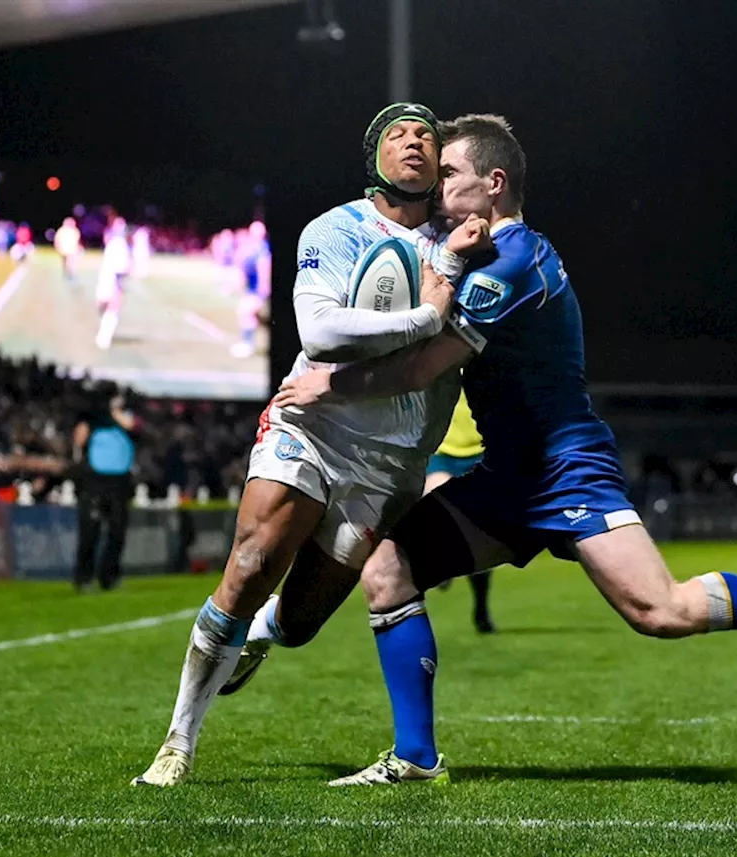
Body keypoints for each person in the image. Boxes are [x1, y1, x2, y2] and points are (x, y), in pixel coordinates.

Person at [273, 114, 737, 787]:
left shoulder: (513, 263)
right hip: (508, 476)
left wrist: (327, 382)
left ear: (494, 183)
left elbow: (421, 367)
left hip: (566, 469)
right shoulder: (474, 252)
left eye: (450, 173)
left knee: (661, 611)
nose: (438, 184)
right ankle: (416, 757)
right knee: (390, 568)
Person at [130, 102, 491, 787]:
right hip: (313, 426)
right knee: (254, 558)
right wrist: (427, 315)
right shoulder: (337, 228)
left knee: (299, 620)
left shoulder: (470, 246)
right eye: (399, 134)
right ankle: (178, 742)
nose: (414, 141)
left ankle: (261, 637)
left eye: (427, 135)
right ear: (373, 157)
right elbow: (321, 333)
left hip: (390, 463)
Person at [426, 388, 494, 633]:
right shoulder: (436, 363)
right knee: (436, 508)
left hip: (480, 451)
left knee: (480, 531)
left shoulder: (485, 365)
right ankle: (445, 561)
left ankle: (481, 608)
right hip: (442, 451)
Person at [72, 391, 136, 592]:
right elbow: (78, 441)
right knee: (90, 529)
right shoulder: (90, 419)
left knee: (117, 530)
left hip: (119, 482)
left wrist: (115, 413)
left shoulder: (125, 419)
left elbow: (131, 425)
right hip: (95, 481)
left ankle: (110, 576)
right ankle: (84, 576)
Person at [230, 220, 272, 359]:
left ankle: (247, 345)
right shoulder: (253, 248)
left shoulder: (262, 249)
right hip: (252, 289)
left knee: (246, 313)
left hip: (258, 290)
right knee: (253, 316)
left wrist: (263, 289)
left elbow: (264, 269)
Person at [95, 217, 131, 349]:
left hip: (109, 280)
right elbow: (122, 268)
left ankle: (104, 336)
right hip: (109, 279)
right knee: (107, 307)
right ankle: (104, 335)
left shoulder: (116, 244)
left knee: (109, 307)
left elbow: (121, 268)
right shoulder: (117, 244)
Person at [54, 216, 82, 282]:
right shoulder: (62, 230)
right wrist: (58, 247)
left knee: (70, 263)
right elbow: (57, 240)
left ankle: (71, 274)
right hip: (64, 249)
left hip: (71, 250)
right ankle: (66, 273)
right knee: (64, 262)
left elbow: (77, 240)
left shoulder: (74, 230)